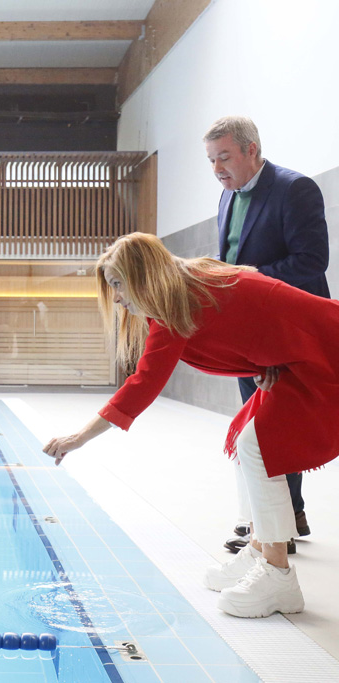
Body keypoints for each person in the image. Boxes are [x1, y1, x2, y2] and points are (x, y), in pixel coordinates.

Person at [42, 232, 339, 618]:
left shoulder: (178, 305)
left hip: (324, 352)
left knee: (257, 446)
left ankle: (278, 576)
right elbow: (259, 314)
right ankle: (258, 551)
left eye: (117, 284)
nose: (115, 297)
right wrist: (271, 360)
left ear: (141, 276)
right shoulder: (187, 285)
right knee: (242, 440)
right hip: (303, 353)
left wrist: (78, 438)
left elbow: (143, 383)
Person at [204, 115, 329, 555]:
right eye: (212, 160)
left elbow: (312, 262)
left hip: (289, 329)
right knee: (256, 426)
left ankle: (272, 530)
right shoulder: (227, 197)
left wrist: (247, 277)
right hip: (247, 332)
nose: (217, 168)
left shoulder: (294, 189)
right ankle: (285, 515)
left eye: (224, 157)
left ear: (251, 149)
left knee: (272, 431)